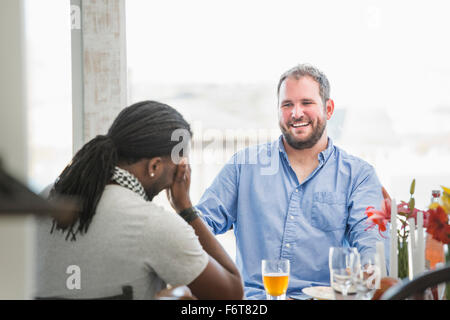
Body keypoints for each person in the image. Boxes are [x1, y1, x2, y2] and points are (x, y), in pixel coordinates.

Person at [195, 64, 390, 299]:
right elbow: (199, 225)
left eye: (306, 103)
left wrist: (371, 270)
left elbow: (371, 239)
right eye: (287, 105)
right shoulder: (243, 166)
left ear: (328, 109)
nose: (296, 113)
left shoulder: (359, 175)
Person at [34, 100, 244, 300]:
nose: (182, 174)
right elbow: (232, 293)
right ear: (154, 167)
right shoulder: (153, 224)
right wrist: (186, 209)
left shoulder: (45, 198)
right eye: (180, 165)